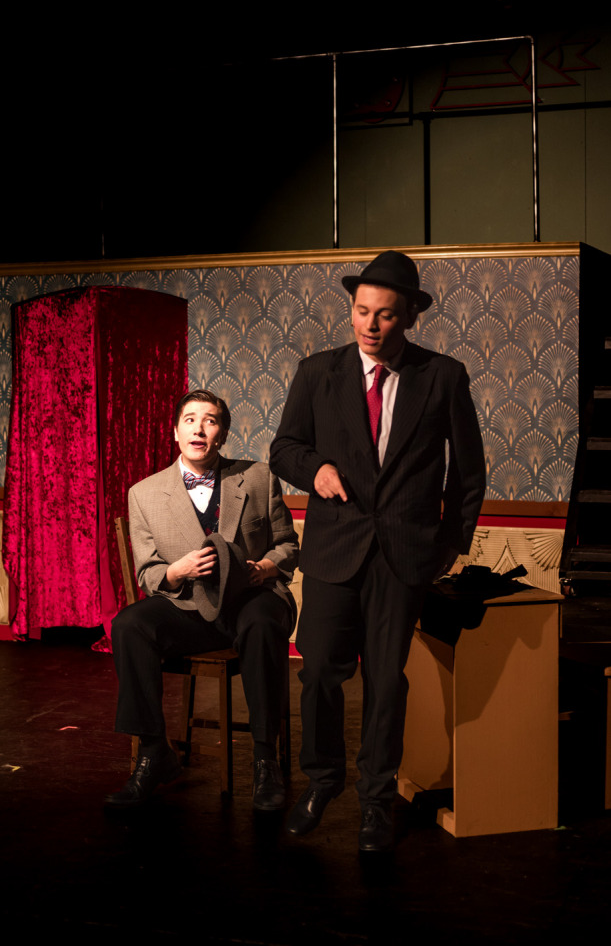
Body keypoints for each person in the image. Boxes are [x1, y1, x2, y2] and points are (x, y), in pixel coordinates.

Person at [269, 250, 485, 851]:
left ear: (409, 316)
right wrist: (316, 469)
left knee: (387, 682)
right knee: (319, 672)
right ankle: (322, 780)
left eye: (385, 314)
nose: (370, 324)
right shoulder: (318, 372)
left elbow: (468, 472)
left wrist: (450, 544)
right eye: (362, 310)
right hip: (334, 549)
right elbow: (284, 449)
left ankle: (376, 800)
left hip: (403, 556)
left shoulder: (443, 376)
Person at [107, 389, 298, 811]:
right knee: (129, 625)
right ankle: (154, 752)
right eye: (190, 420)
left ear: (222, 434)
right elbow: (148, 574)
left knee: (263, 621)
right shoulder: (144, 493)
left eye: (210, 420)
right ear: (175, 432)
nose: (199, 428)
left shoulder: (258, 477)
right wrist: (177, 571)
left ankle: (265, 758)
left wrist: (265, 567)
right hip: (190, 608)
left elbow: (287, 544)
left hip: (252, 600)